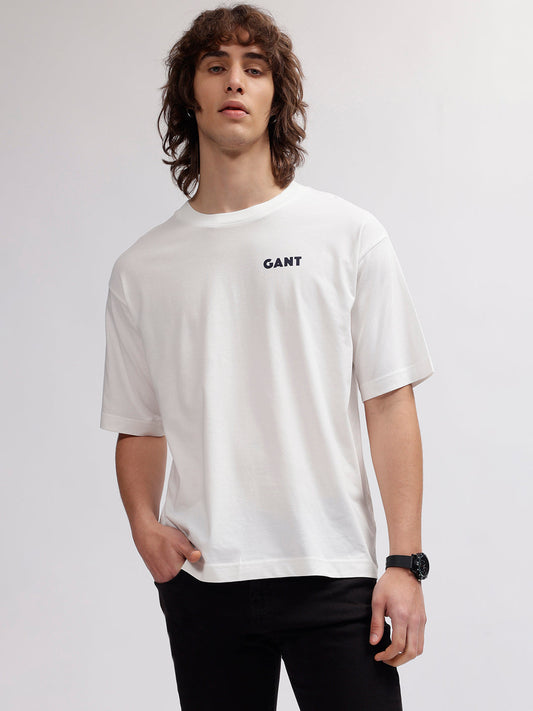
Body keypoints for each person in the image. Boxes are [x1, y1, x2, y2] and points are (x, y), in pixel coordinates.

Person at [99, 4, 435, 709]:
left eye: (254, 69)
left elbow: (388, 401)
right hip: (204, 581)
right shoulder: (142, 268)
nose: (235, 81)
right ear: (189, 94)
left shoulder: (348, 235)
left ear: (275, 99)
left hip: (334, 572)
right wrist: (143, 526)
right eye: (216, 66)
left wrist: (404, 561)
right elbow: (139, 423)